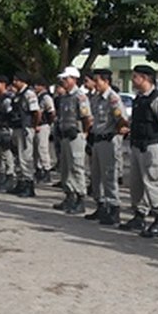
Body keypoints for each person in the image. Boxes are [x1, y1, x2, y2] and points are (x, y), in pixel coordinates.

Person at [121, 65, 158, 237]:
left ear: (144, 78)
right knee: (136, 184)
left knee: (155, 183)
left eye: (135, 76)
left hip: (152, 146)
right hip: (137, 145)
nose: (132, 80)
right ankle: (139, 215)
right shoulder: (139, 99)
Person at [83, 68, 127, 225]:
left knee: (109, 176)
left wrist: (116, 131)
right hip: (97, 140)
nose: (95, 83)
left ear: (106, 81)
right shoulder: (96, 98)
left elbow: (122, 120)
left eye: (97, 80)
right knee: (96, 176)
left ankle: (114, 209)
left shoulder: (112, 98)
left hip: (108, 141)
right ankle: (100, 206)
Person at [53, 67, 92, 215]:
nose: (63, 81)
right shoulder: (64, 97)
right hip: (64, 135)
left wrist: (85, 134)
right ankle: (69, 195)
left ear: (74, 79)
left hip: (75, 136)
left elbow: (87, 117)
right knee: (65, 168)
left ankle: (80, 198)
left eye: (66, 78)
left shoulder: (79, 96)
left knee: (76, 167)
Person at [8, 72, 40, 197]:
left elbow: (36, 112)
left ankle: (29, 184)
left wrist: (33, 126)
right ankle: (20, 182)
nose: (14, 82)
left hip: (25, 128)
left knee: (25, 157)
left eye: (16, 80)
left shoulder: (29, 94)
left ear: (22, 81)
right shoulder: (18, 94)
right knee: (18, 157)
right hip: (17, 128)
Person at [33, 77, 55, 183]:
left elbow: (51, 112)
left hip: (43, 125)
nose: (35, 87)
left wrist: (48, 123)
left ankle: (46, 170)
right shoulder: (37, 96)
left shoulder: (46, 97)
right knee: (36, 149)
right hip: (36, 125)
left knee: (42, 149)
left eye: (37, 85)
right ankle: (38, 169)